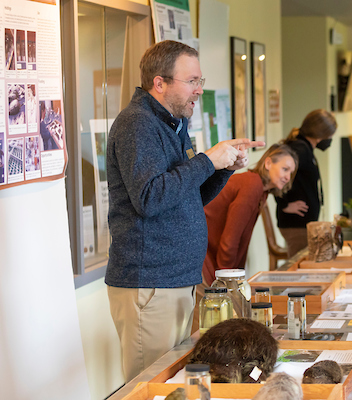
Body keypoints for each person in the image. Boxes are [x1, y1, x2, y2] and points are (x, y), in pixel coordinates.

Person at [105, 40, 263, 381]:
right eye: (192, 81)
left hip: (176, 280)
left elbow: (185, 196)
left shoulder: (171, 125)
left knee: (173, 383)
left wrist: (223, 168)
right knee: (151, 385)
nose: (198, 91)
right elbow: (150, 197)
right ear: (159, 83)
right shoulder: (137, 124)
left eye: (200, 82)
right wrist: (208, 160)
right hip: (150, 282)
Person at [202, 143, 298, 284]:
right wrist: (229, 279)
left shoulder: (262, 191)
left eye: (291, 173)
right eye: (285, 169)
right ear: (268, 163)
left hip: (210, 254)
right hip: (202, 255)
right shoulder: (252, 185)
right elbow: (231, 239)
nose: (288, 177)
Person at [275, 109, 337, 257]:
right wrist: (284, 204)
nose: (330, 139)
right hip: (296, 225)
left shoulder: (304, 147)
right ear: (320, 134)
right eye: (329, 135)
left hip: (302, 223)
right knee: (298, 265)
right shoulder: (300, 149)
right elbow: (276, 175)